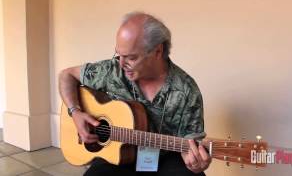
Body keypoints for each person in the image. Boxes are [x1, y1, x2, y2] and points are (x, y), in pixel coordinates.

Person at [59, 11, 211, 175]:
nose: (121, 63)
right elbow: (66, 76)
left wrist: (196, 161)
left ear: (157, 51)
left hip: (167, 158)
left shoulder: (186, 89)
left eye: (131, 57)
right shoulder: (112, 70)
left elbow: (193, 145)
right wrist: (75, 112)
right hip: (120, 155)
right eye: (119, 54)